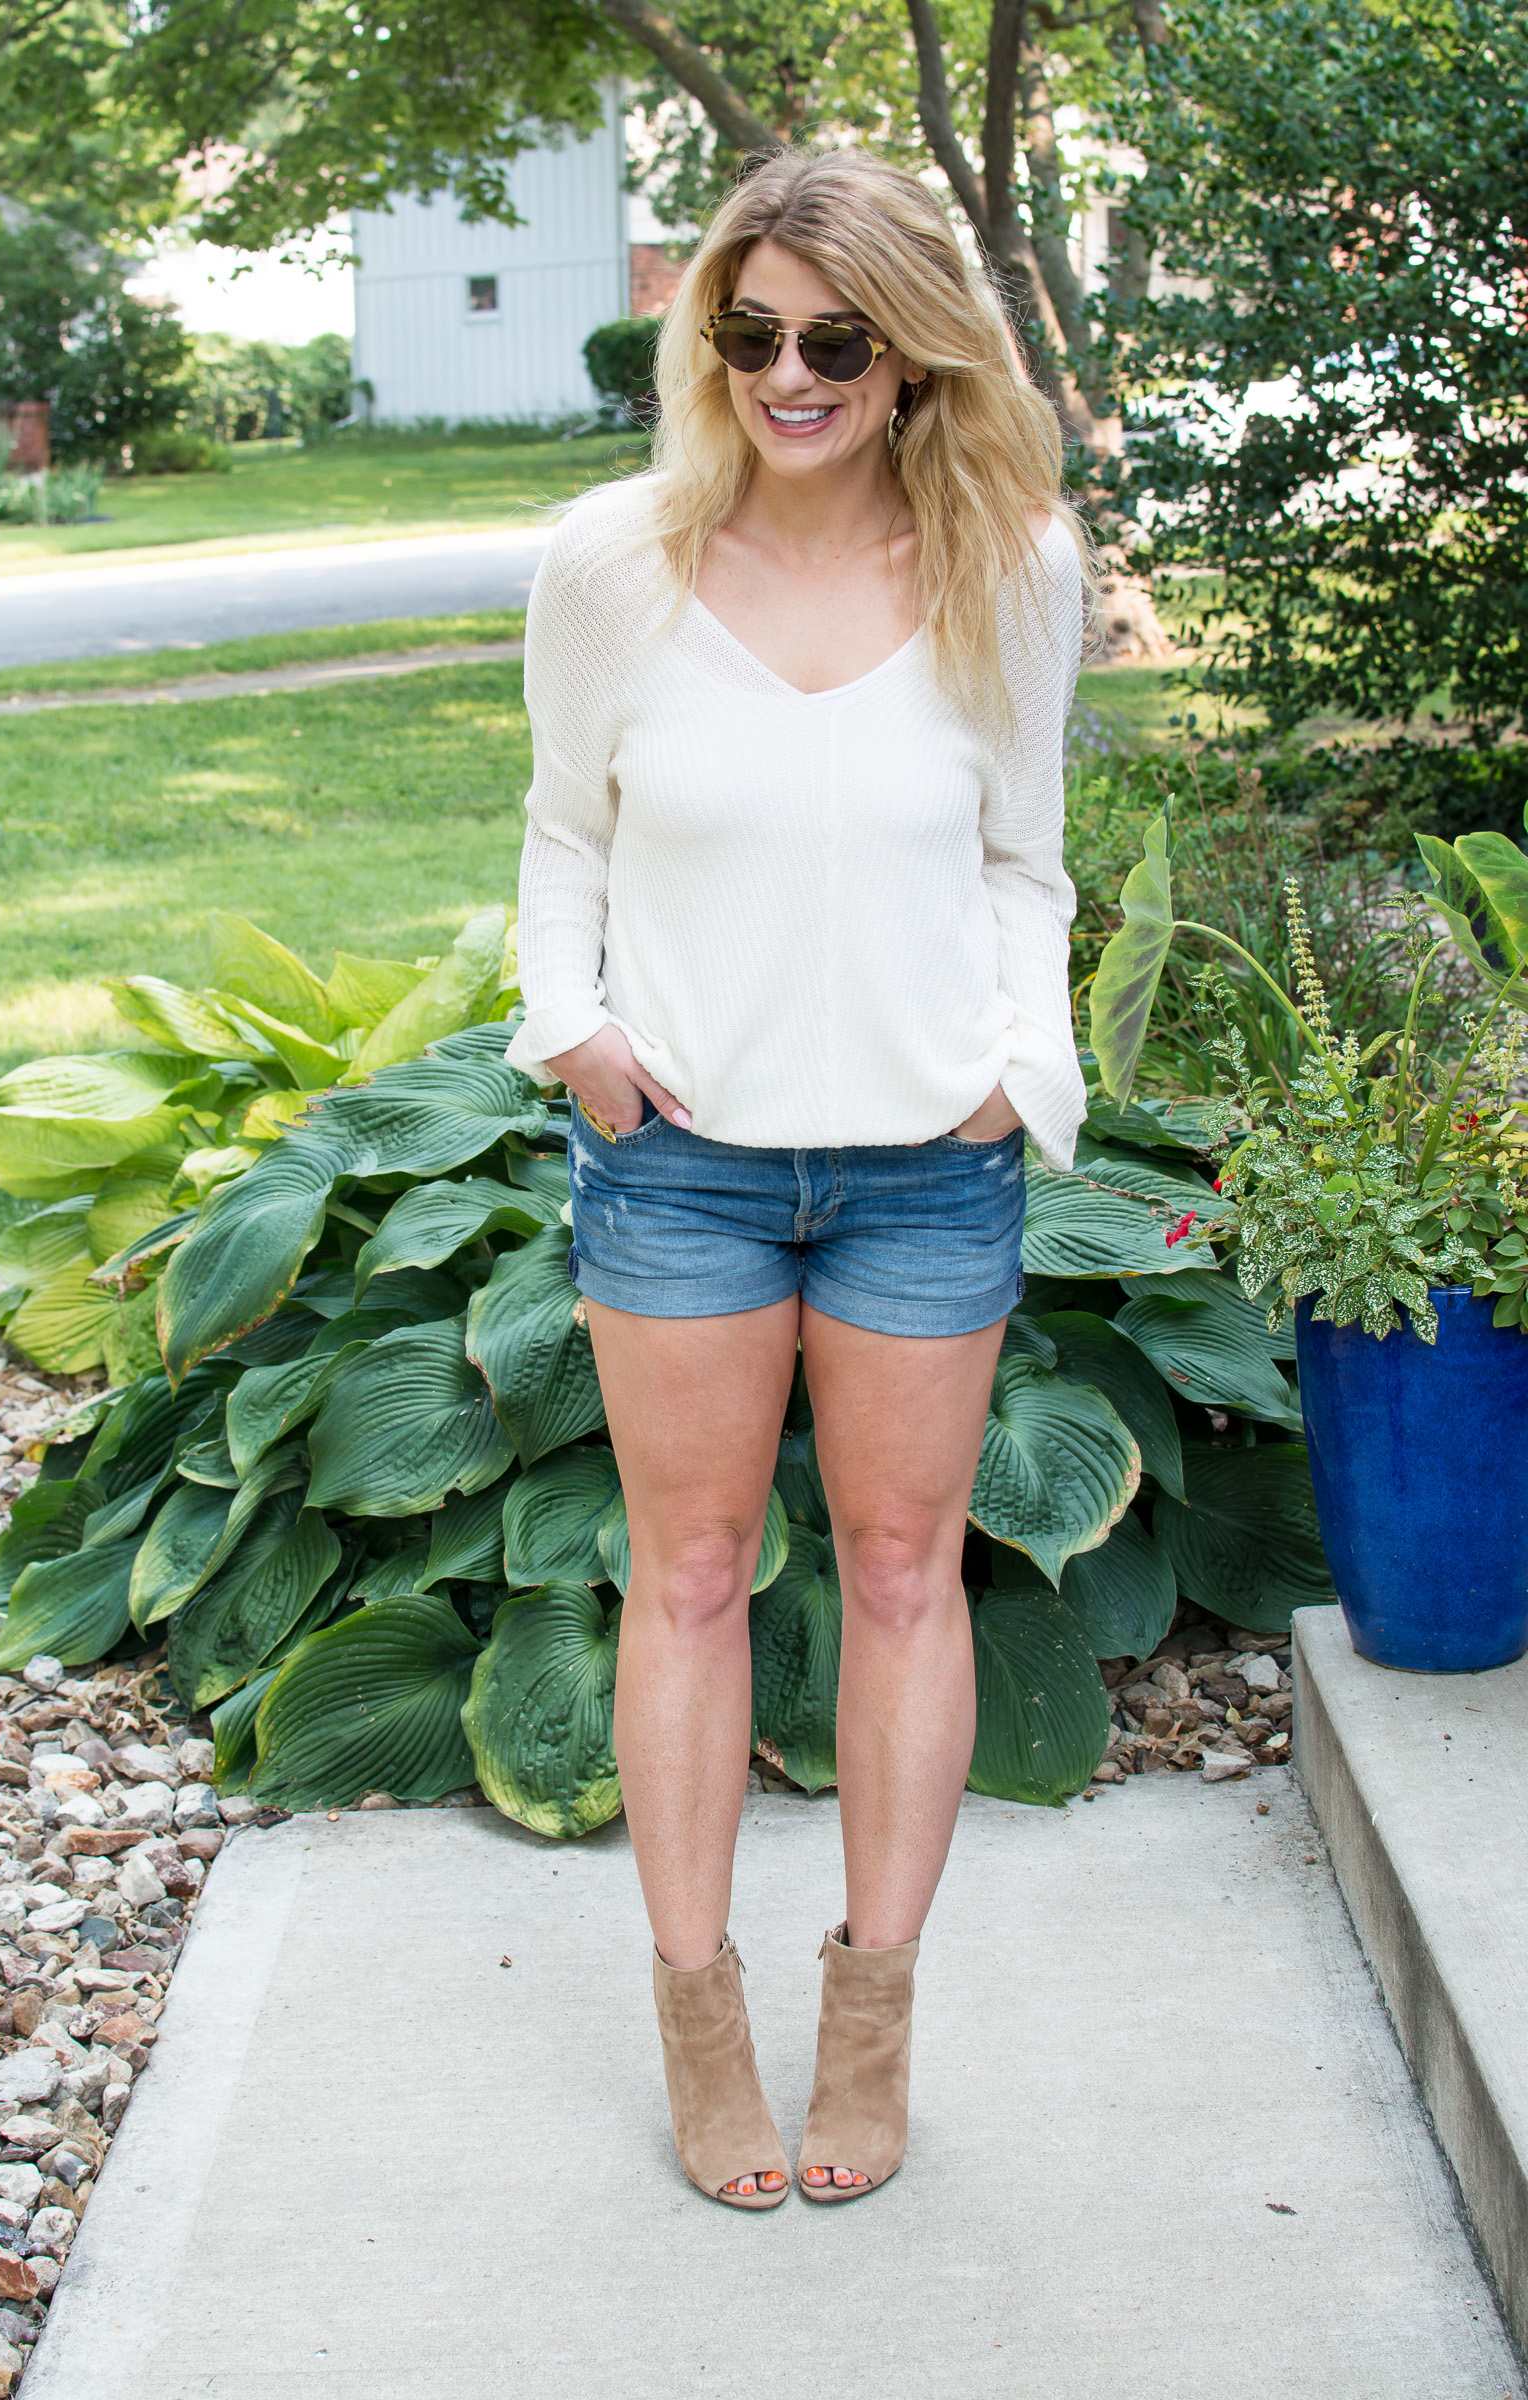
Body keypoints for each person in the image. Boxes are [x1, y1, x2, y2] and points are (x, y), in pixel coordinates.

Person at [503, 146, 1089, 2210]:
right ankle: (699, 2032)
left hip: (929, 1173)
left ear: (913, 352)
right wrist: (566, 1025)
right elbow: (562, 824)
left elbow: (1022, 854)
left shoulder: (1010, 563)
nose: (784, 372)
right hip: (681, 1172)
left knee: (907, 1568)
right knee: (683, 1574)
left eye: (833, 339)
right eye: (744, 333)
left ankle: (872, 2018)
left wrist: (1028, 1072)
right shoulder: (611, 562)